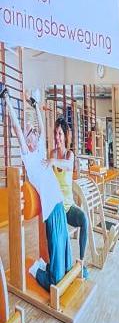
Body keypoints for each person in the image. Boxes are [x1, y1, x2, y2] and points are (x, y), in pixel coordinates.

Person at [4, 98, 75, 290]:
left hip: (59, 205)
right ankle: (36, 269)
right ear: (27, 140)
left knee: (67, 262)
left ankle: (49, 266)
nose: (34, 133)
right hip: (51, 212)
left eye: (34, 132)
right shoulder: (29, 157)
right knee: (57, 278)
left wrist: (35, 107)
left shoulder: (42, 151)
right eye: (31, 132)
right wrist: (7, 100)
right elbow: (18, 130)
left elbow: (42, 127)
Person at [49, 118, 90, 277]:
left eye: (60, 133)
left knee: (84, 220)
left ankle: (81, 262)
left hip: (68, 207)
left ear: (65, 135)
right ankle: (61, 265)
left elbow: (67, 166)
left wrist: (52, 161)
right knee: (62, 236)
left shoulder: (69, 155)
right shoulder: (52, 153)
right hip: (57, 208)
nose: (57, 137)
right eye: (55, 134)